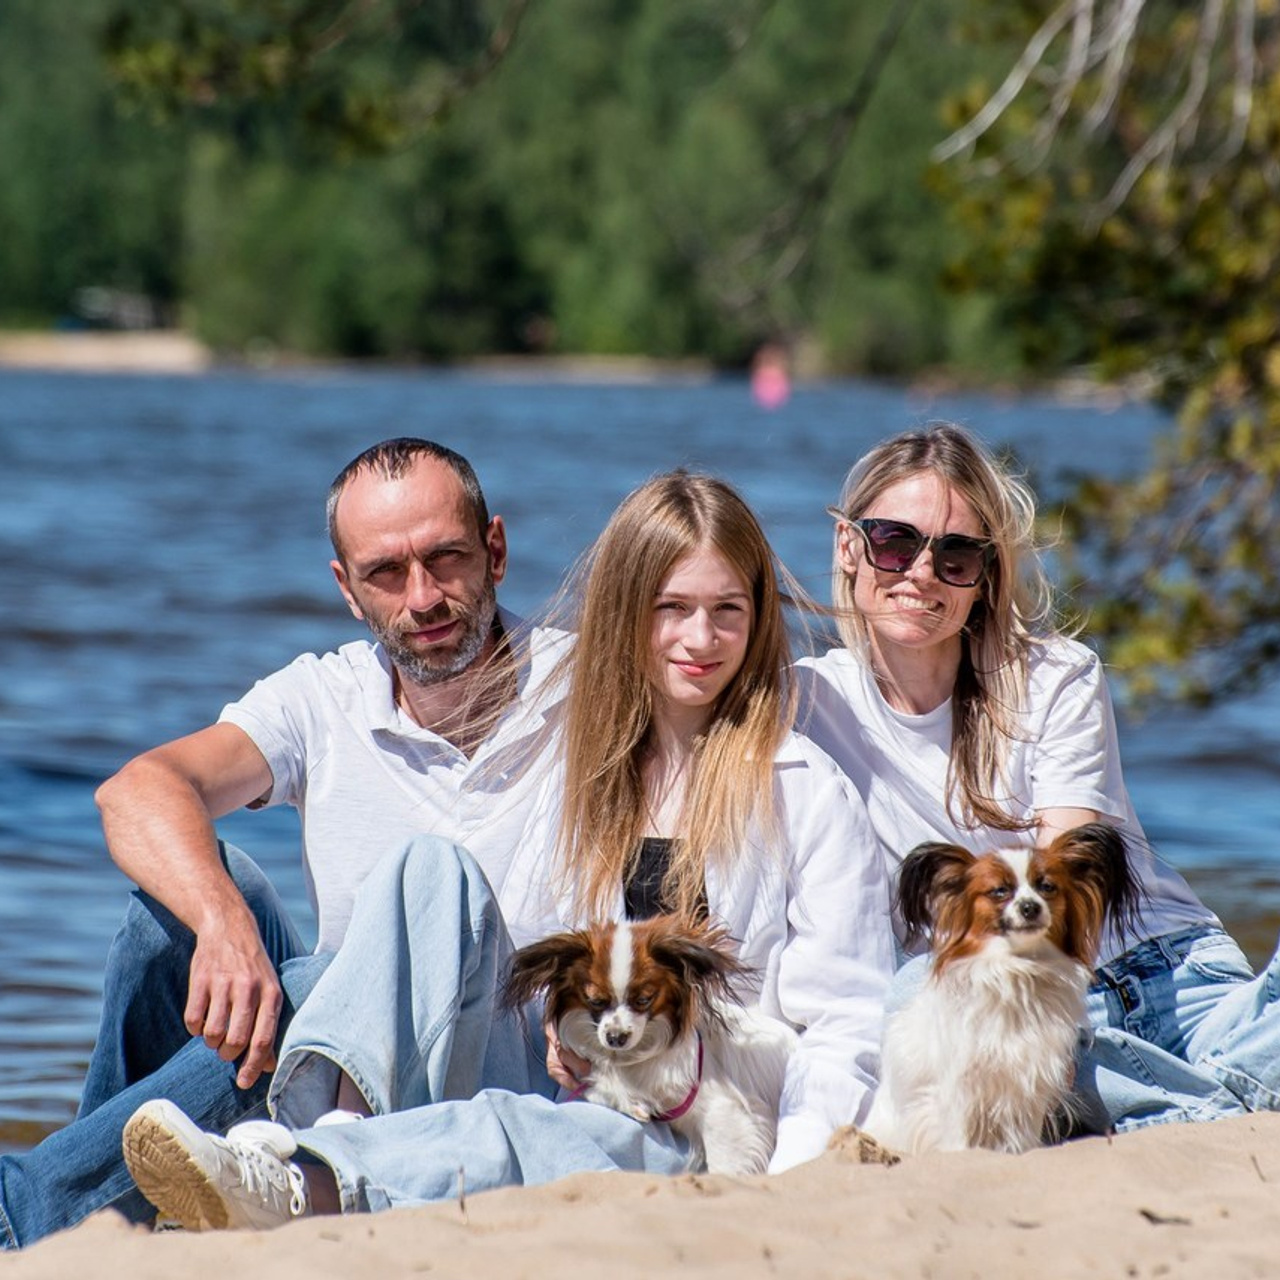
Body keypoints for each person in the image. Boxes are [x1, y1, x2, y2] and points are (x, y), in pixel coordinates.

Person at [120, 471, 896, 1230]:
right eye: (672, 609)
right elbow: (527, 949)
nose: (701, 638)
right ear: (628, 615)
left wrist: (791, 1183)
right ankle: (302, 1151)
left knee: (533, 1131)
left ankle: (307, 1177)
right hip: (576, 1082)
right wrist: (560, 1034)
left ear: (759, 619)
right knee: (428, 870)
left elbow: (843, 1030)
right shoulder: (582, 766)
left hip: (697, 1121)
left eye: (728, 610)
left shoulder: (803, 788)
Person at [0, 437, 566, 1249]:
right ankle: (111, 1206)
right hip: (337, 1074)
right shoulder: (327, 696)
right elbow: (136, 792)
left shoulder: (589, 690)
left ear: (497, 551)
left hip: (505, 1071)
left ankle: (29, 1211)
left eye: (447, 559)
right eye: (386, 573)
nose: (424, 597)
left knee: (327, 967)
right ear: (346, 589)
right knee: (180, 910)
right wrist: (224, 924)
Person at [797, 419, 1280, 1133]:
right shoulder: (804, 704)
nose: (922, 573)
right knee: (910, 999)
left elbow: (1070, 902)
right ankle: (1214, 1100)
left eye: (956, 555)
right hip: (995, 1001)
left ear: (986, 575)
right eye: (895, 542)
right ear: (850, 544)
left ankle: (1185, 1098)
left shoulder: (1056, 675)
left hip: (1169, 976)